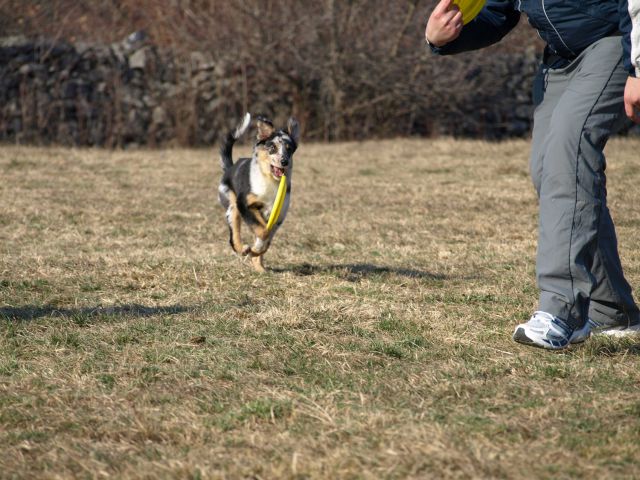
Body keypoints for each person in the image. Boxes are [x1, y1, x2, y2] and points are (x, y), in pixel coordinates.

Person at [425, 0, 640, 349]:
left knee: (566, 157)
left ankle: (562, 311)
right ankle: (612, 308)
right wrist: (446, 37)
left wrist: (638, 66)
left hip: (614, 43)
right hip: (560, 58)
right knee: (549, 170)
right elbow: (497, 12)